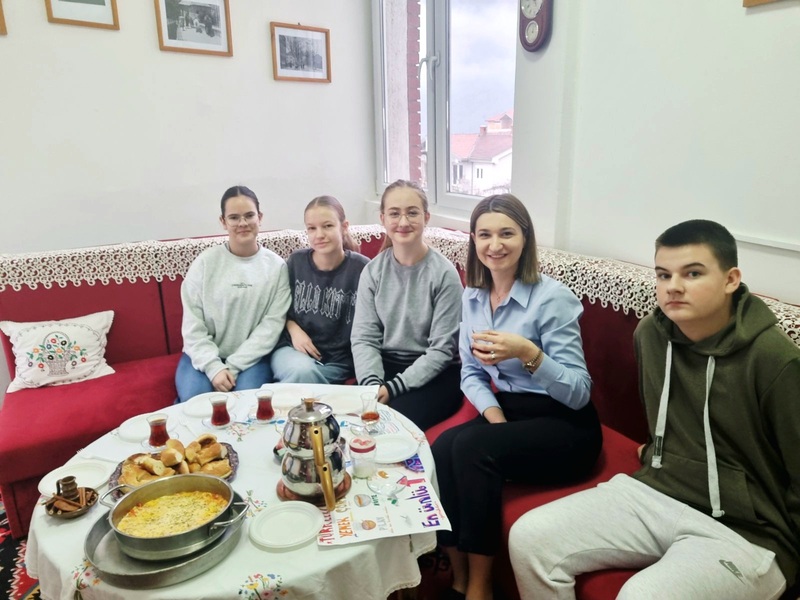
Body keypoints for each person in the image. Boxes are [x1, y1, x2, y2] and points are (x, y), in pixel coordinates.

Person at [509, 219, 800, 600]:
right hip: (657, 492)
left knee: (642, 595)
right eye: (663, 274)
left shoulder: (775, 359)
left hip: (749, 531)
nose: (673, 286)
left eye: (692, 273)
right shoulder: (651, 335)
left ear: (731, 280)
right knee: (529, 537)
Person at [432, 194, 602, 600]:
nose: (495, 245)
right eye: (485, 235)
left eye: (506, 233)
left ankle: (481, 588)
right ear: (473, 240)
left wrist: (528, 352)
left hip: (566, 422)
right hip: (511, 411)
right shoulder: (472, 296)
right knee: (441, 448)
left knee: (471, 449)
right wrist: (494, 417)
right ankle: (457, 576)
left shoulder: (551, 298)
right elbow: (470, 372)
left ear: (525, 238)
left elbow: (579, 393)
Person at [350, 179, 463, 431]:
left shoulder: (444, 274)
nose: (403, 222)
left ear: (426, 217)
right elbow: (364, 337)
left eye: (412, 213)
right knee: (350, 422)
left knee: (389, 426)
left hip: (436, 374)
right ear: (382, 219)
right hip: (385, 366)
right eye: (394, 213)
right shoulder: (372, 271)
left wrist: (392, 389)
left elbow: (442, 350)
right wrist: (371, 385)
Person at [175, 185, 291, 403]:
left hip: (253, 359)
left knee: (245, 404)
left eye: (249, 215)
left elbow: (272, 325)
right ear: (223, 221)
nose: (242, 223)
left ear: (260, 217)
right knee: (196, 402)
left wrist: (233, 366)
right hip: (201, 357)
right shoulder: (205, 264)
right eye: (234, 217)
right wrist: (214, 368)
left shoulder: (277, 267)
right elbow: (192, 325)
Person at [270, 195, 369, 384]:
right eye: (312, 228)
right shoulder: (296, 262)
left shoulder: (362, 269)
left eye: (328, 226)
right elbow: (277, 309)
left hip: (339, 362)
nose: (319, 235)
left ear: (344, 227)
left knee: (305, 378)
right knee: (302, 372)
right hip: (291, 350)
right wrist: (293, 329)